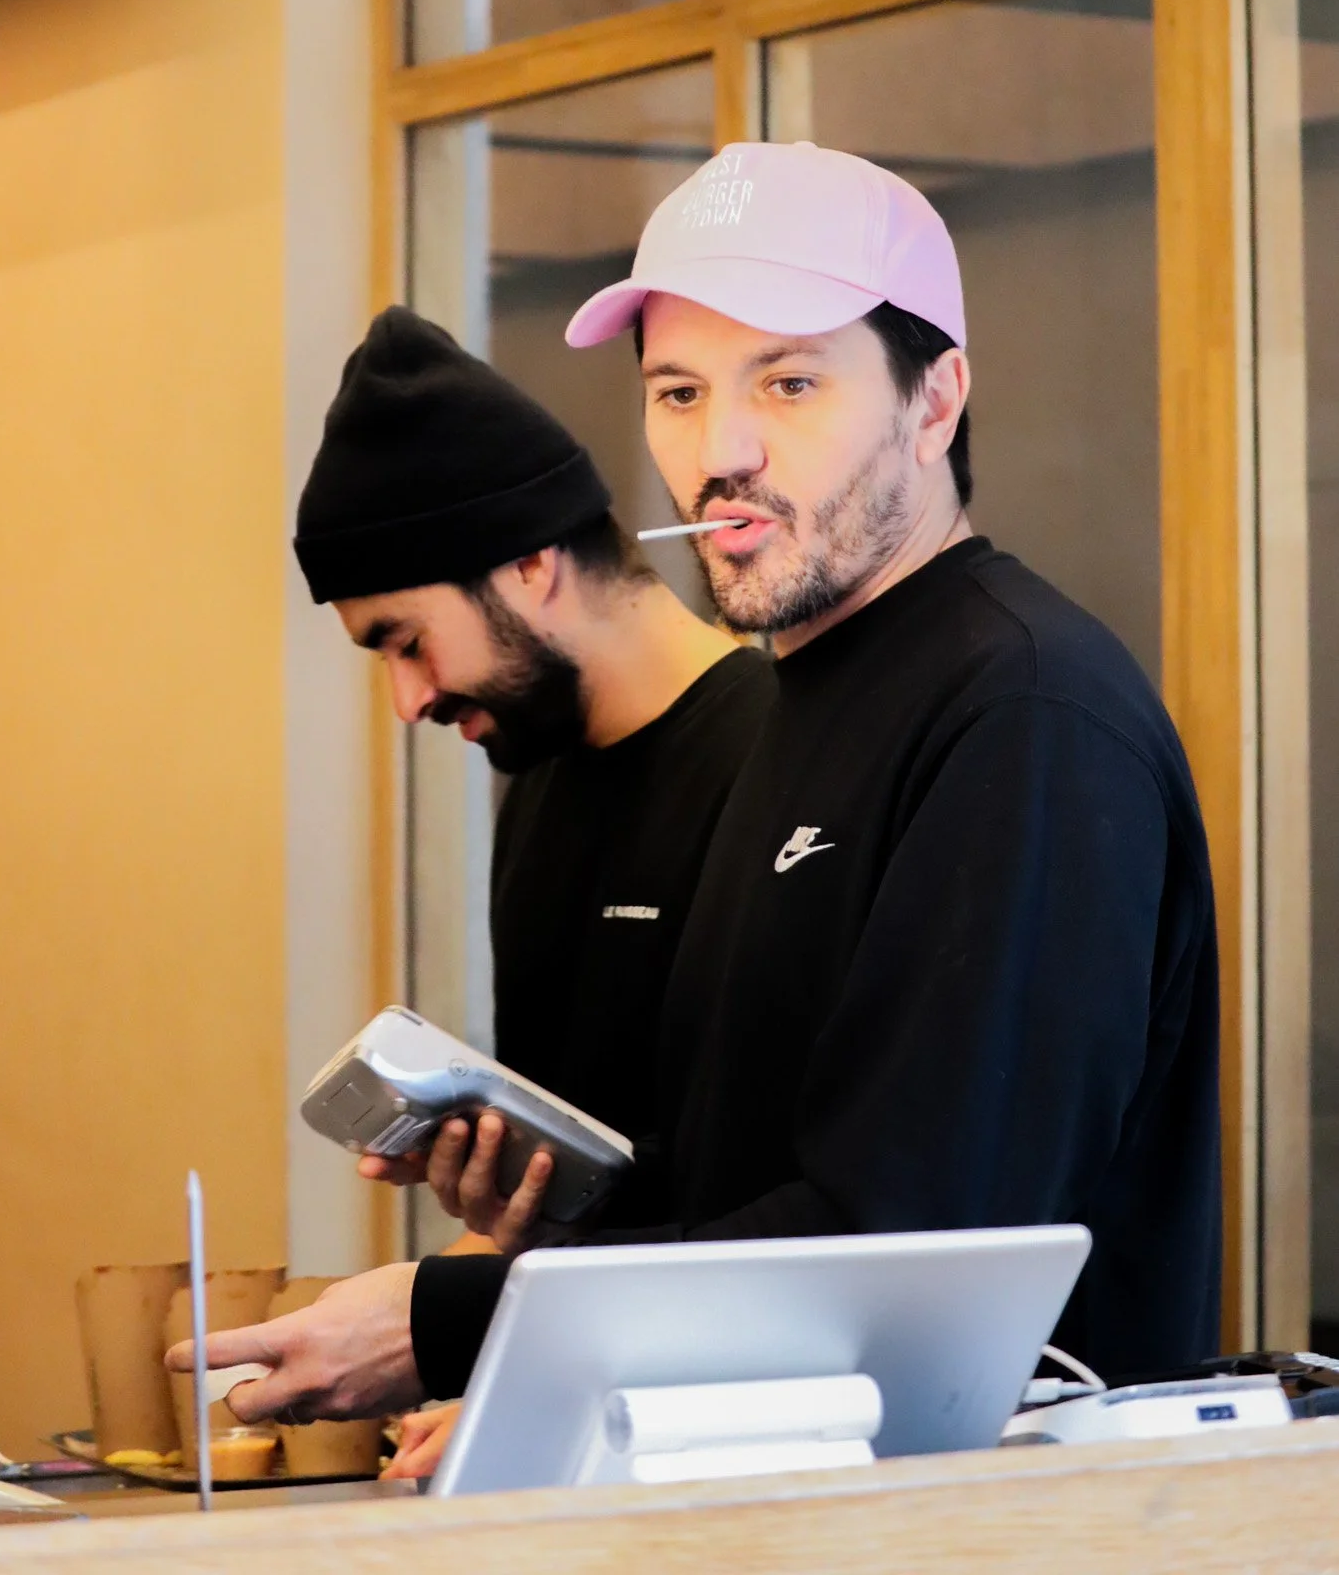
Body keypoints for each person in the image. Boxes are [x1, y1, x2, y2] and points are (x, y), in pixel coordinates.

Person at [176, 143, 1220, 1429]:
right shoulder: (803, 703)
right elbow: (760, 1186)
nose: (723, 450)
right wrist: (562, 1209)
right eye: (678, 391)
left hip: (1008, 1506)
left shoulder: (1023, 710)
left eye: (790, 381)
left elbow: (912, 1256)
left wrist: (444, 1318)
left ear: (934, 399)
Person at [166, 305, 770, 1461]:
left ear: (532, 562)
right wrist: (493, 1243)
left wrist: (455, 1334)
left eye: (408, 641)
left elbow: (779, 1224)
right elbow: (600, 1209)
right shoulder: (538, 789)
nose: (408, 701)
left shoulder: (786, 765)